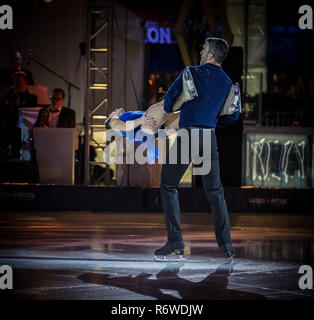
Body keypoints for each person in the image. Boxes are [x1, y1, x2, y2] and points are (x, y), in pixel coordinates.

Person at [153, 37, 240, 263]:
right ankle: (227, 248)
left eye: (204, 48)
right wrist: (211, 123)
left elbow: (167, 104)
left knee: (169, 184)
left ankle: (176, 243)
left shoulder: (191, 72)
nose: (201, 51)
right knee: (215, 192)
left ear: (210, 55)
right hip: (208, 137)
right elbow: (232, 116)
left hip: (189, 134)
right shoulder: (228, 82)